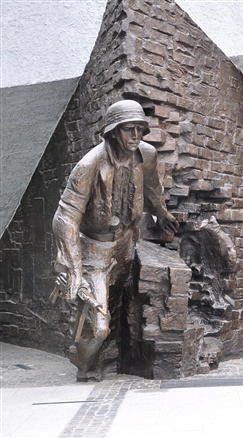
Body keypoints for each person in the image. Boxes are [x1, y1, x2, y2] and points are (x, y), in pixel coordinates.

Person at [52, 100, 178, 380]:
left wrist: (162, 214)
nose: (135, 136)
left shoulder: (146, 155)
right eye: (128, 129)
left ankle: (109, 357)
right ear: (113, 131)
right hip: (93, 249)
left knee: (119, 304)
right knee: (98, 324)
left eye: (140, 129)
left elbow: (152, 189)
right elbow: (65, 217)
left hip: (126, 243)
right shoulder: (89, 164)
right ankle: (85, 364)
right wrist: (74, 268)